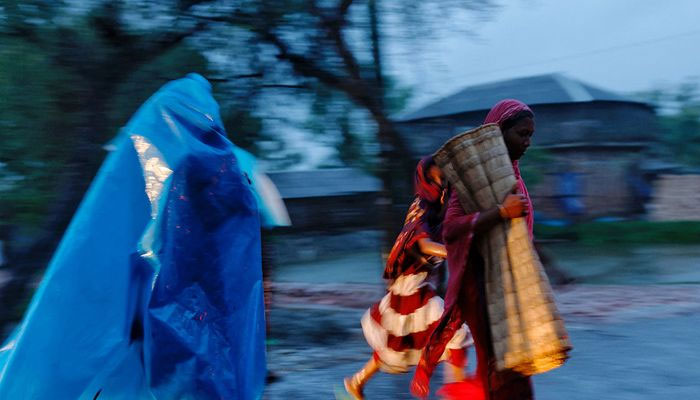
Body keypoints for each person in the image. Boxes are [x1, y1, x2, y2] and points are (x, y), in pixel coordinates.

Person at [0, 74, 267, 399]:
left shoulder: (139, 172)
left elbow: (98, 269)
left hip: (158, 335)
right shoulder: (233, 179)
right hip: (207, 335)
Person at [410, 99, 538, 399]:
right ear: (497, 133)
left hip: (512, 289)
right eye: (522, 134)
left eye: (531, 135)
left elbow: (522, 233)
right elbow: (451, 228)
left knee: (515, 375)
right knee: (503, 376)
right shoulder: (472, 178)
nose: (528, 142)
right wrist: (499, 212)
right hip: (482, 288)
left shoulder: (515, 175)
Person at [344, 157, 472, 399]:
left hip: (419, 283)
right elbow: (423, 245)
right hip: (410, 285)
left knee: (398, 342)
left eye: (442, 178)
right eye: (433, 178)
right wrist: (453, 252)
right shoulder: (422, 206)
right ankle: (457, 393)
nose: (439, 183)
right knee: (453, 333)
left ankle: (356, 381)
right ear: (423, 180)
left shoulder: (439, 210)